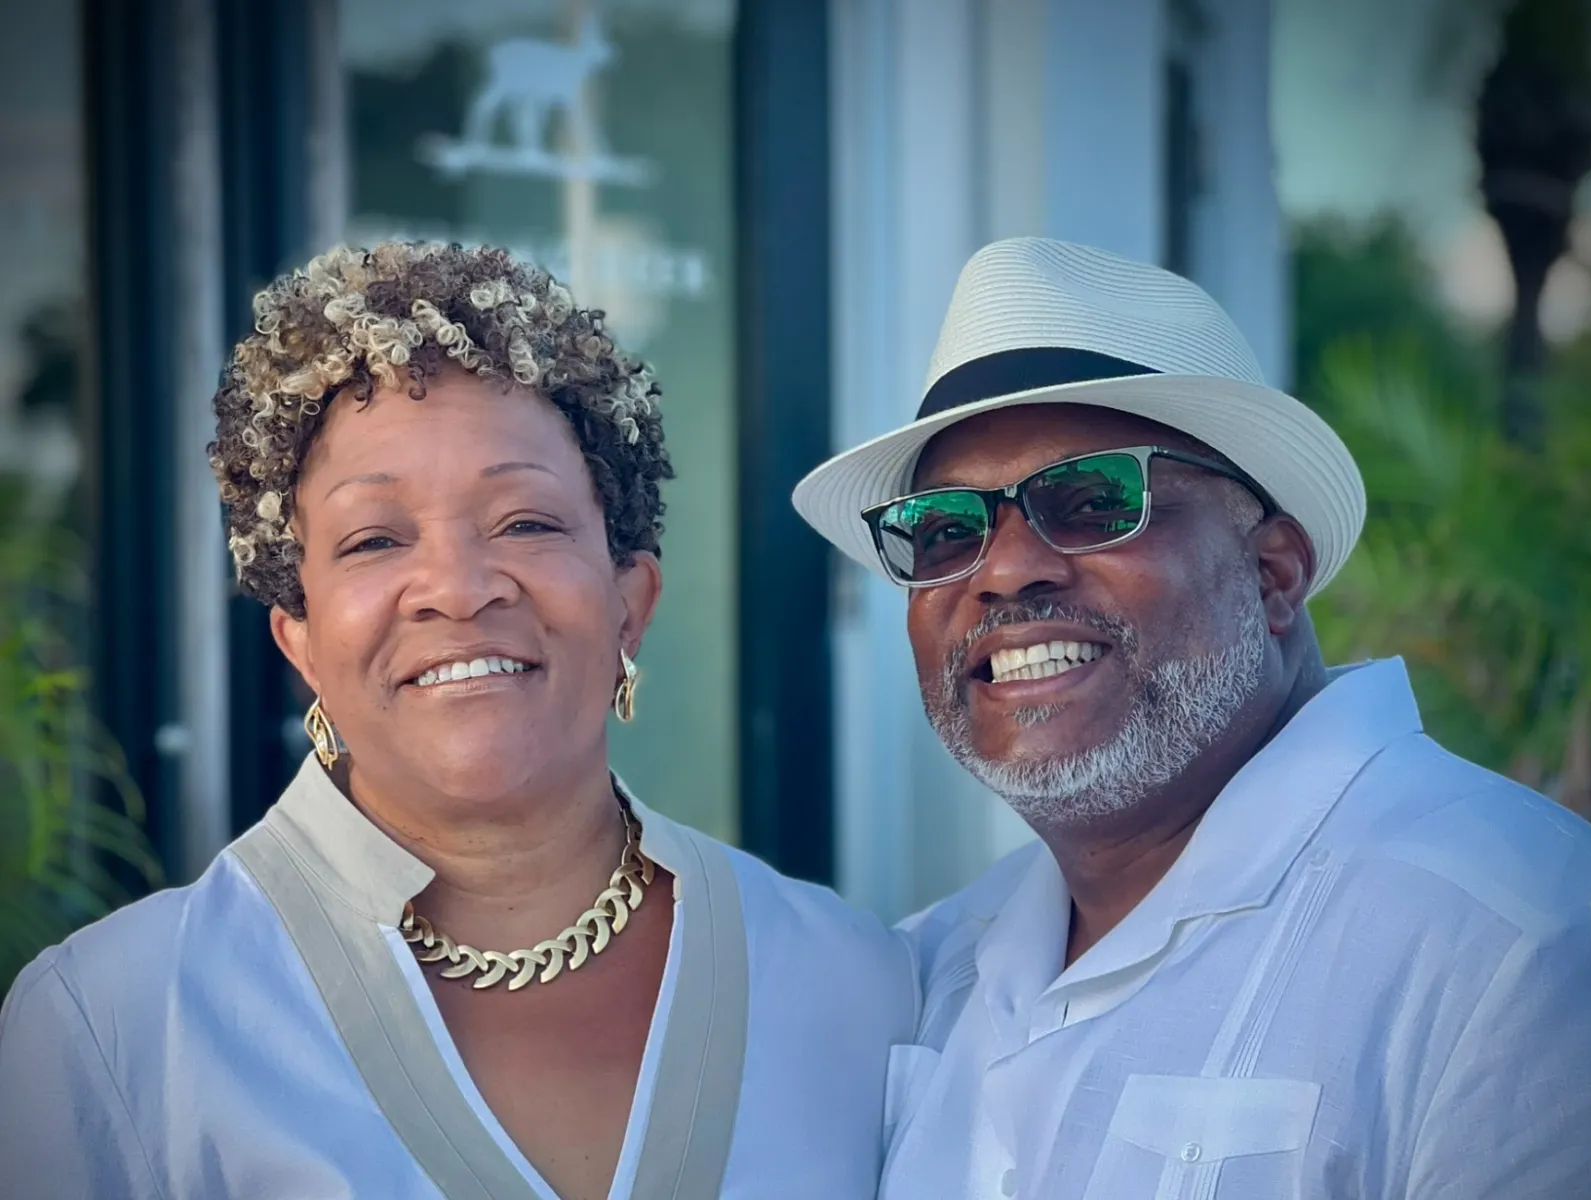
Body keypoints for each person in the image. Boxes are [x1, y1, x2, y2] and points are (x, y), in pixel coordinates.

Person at [0, 242, 916, 1200]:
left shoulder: (856, 984)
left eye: (525, 521)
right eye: (374, 540)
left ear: (628, 603)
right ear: (300, 639)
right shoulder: (116, 1024)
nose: (458, 590)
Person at [793, 237, 1591, 1199]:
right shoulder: (932, 966)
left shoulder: (1519, 944)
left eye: (1093, 502)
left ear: (1273, 574)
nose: (1004, 571)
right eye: (945, 531)